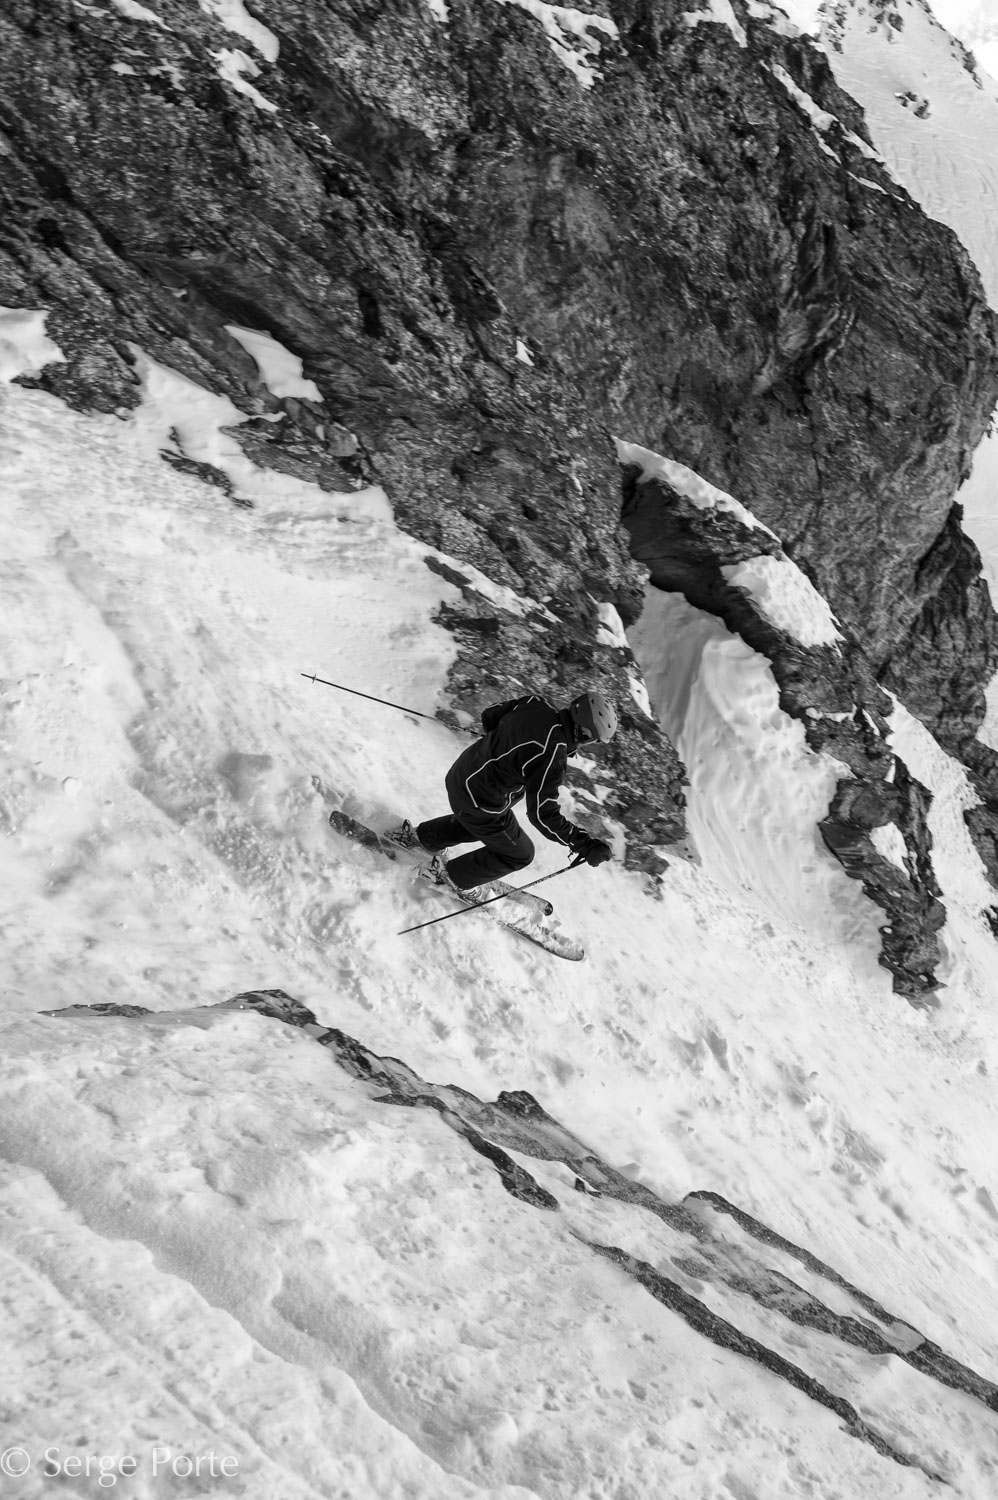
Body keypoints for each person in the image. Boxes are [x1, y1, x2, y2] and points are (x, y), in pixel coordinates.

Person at [388, 691, 616, 893]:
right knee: (521, 854)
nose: (590, 743)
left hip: (461, 775)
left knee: (488, 825)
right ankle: (450, 877)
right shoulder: (552, 753)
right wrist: (584, 844)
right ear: (584, 733)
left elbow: (490, 715)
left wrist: (502, 745)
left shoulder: (536, 703)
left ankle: (421, 838)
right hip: (480, 800)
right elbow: (543, 815)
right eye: (593, 739)